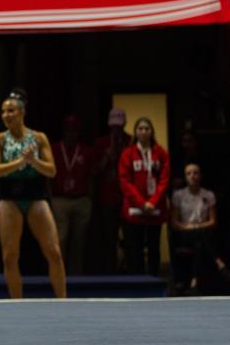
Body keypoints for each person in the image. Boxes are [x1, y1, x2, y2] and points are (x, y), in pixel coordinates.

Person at [0, 89, 66, 299]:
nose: (6, 115)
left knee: (54, 252)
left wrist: (34, 161)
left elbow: (51, 170)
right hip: (9, 198)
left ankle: (63, 301)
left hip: (36, 196)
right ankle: (17, 303)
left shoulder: (39, 138)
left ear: (22, 113)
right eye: (3, 111)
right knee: (10, 256)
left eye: (11, 110)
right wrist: (20, 162)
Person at [118, 117, 170, 276]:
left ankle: (154, 280)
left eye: (147, 128)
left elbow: (164, 179)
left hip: (155, 210)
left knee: (154, 248)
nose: (143, 131)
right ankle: (137, 282)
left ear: (151, 131)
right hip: (134, 210)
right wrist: (142, 203)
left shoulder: (160, 153)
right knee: (135, 250)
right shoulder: (128, 154)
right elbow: (125, 181)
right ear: (135, 132)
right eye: (140, 128)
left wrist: (152, 202)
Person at [171, 163, 230, 294]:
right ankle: (219, 263)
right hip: (184, 233)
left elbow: (213, 221)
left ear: (200, 175)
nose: (192, 176)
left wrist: (197, 226)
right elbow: (175, 222)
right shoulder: (178, 195)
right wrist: (187, 227)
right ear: (185, 177)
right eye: (189, 173)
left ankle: (194, 284)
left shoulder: (209, 195)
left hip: (202, 231)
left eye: (195, 173)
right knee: (200, 238)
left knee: (200, 244)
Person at [51, 114, 97, 276]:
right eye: (68, 130)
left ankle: (76, 277)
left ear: (79, 132)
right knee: (60, 239)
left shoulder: (87, 151)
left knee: (79, 242)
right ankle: (59, 276)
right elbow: (48, 175)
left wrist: (90, 200)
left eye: (74, 131)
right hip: (60, 199)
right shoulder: (54, 149)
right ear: (64, 132)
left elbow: (91, 176)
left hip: (81, 199)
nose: (71, 134)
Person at [93, 107, 131, 273]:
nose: (117, 130)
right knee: (109, 238)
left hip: (127, 197)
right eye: (114, 127)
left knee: (130, 237)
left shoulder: (130, 141)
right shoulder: (101, 143)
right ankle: (110, 272)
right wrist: (107, 156)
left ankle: (130, 270)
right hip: (107, 197)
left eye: (119, 126)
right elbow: (94, 171)